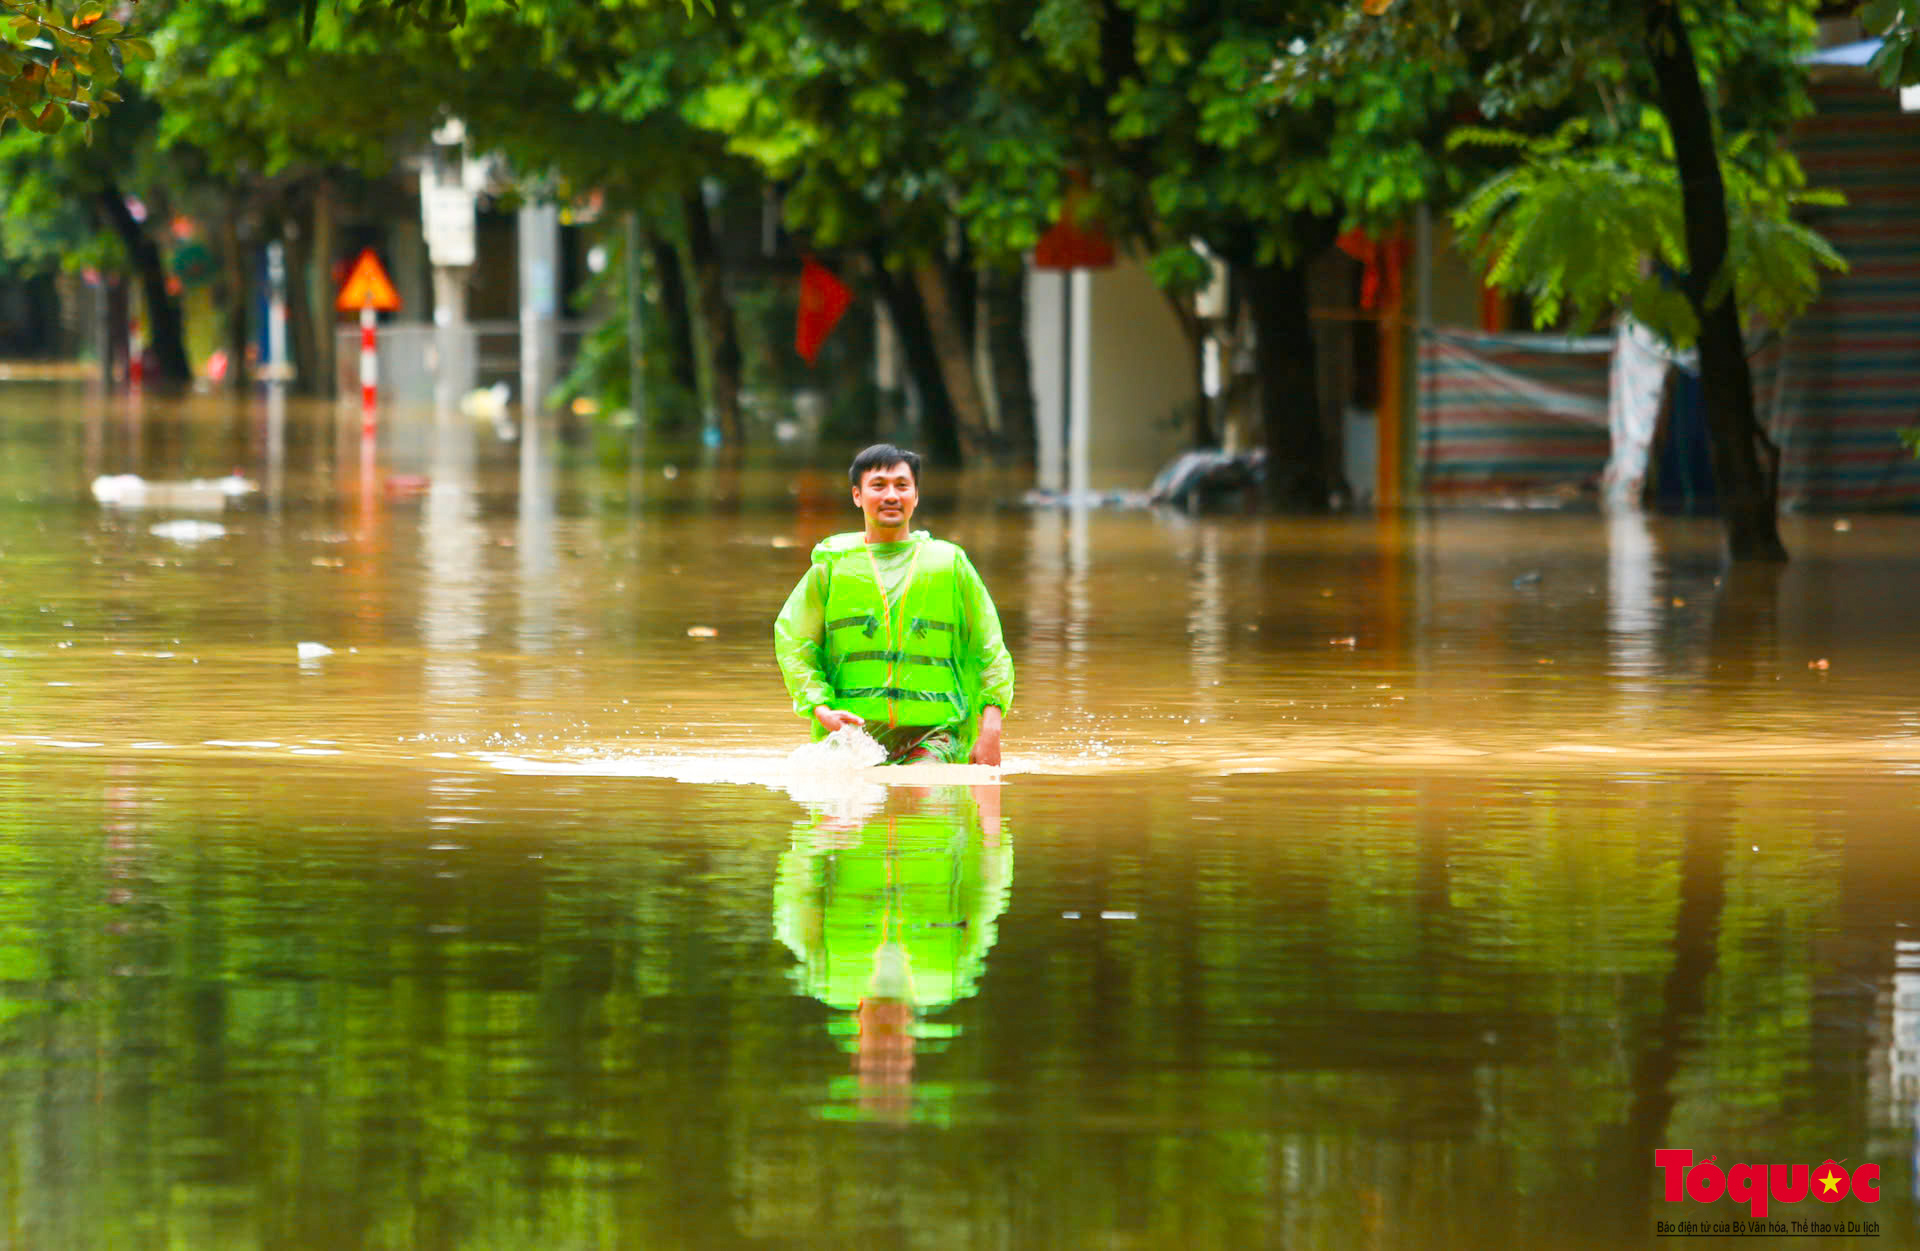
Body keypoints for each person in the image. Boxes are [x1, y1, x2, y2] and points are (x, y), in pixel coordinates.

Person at [774, 443, 1014, 765]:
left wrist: (991, 732)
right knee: (846, 813)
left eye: (902, 486)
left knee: (922, 791)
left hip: (936, 731)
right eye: (878, 486)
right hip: (851, 735)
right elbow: (795, 645)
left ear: (915, 496)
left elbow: (990, 648)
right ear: (857, 495)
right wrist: (822, 708)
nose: (891, 495)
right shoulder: (830, 568)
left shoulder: (950, 564)